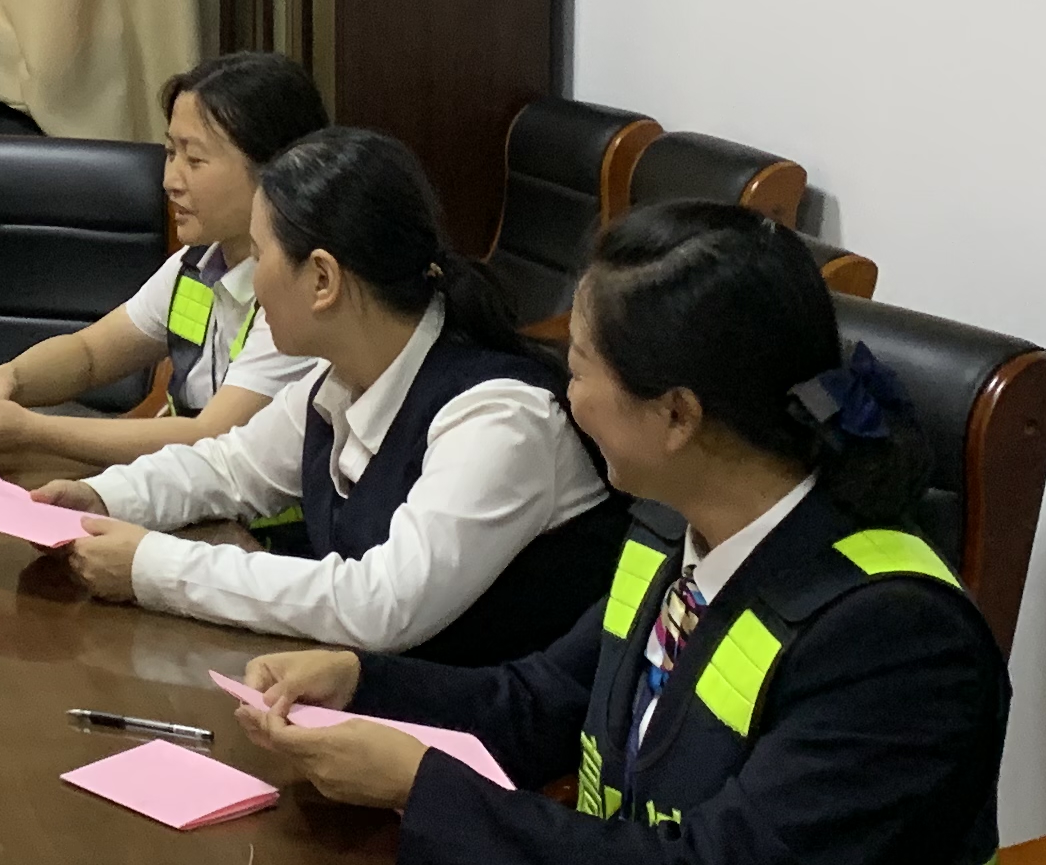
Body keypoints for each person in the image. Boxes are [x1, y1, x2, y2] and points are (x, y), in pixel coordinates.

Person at [228, 201, 1009, 865]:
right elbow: (536, 705)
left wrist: (419, 785)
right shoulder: (676, 530)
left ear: (676, 415)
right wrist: (360, 680)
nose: (567, 395)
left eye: (582, 367)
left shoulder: (894, 638)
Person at [34, 127, 623, 662]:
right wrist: (101, 498)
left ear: (322, 279)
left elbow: (381, 605)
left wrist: (153, 567)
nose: (251, 280)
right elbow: (231, 467)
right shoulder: (338, 379)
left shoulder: (500, 418)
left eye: (260, 256)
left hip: (476, 733)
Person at [0, 49, 329, 481]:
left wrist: (33, 430)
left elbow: (210, 436)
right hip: (184, 486)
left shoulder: (299, 293)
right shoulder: (197, 266)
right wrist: (12, 380)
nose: (170, 181)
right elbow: (92, 354)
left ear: (276, 170)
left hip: (251, 512)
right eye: (170, 153)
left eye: (194, 160)